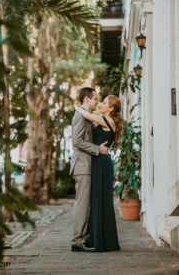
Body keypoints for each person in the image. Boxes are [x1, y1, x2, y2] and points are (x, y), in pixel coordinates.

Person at [75, 94, 122, 252]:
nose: (101, 105)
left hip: (101, 163)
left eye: (104, 103)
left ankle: (100, 241)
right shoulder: (106, 120)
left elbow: (87, 115)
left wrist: (77, 107)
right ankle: (98, 239)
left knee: (99, 201)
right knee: (98, 200)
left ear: (111, 108)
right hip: (99, 162)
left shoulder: (107, 120)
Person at [70, 87, 109, 252]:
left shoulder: (85, 116)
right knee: (83, 205)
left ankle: (83, 238)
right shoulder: (80, 116)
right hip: (82, 166)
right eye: (95, 99)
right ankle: (77, 241)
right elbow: (77, 141)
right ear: (86, 99)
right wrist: (97, 149)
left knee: (85, 205)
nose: (97, 102)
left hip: (86, 165)